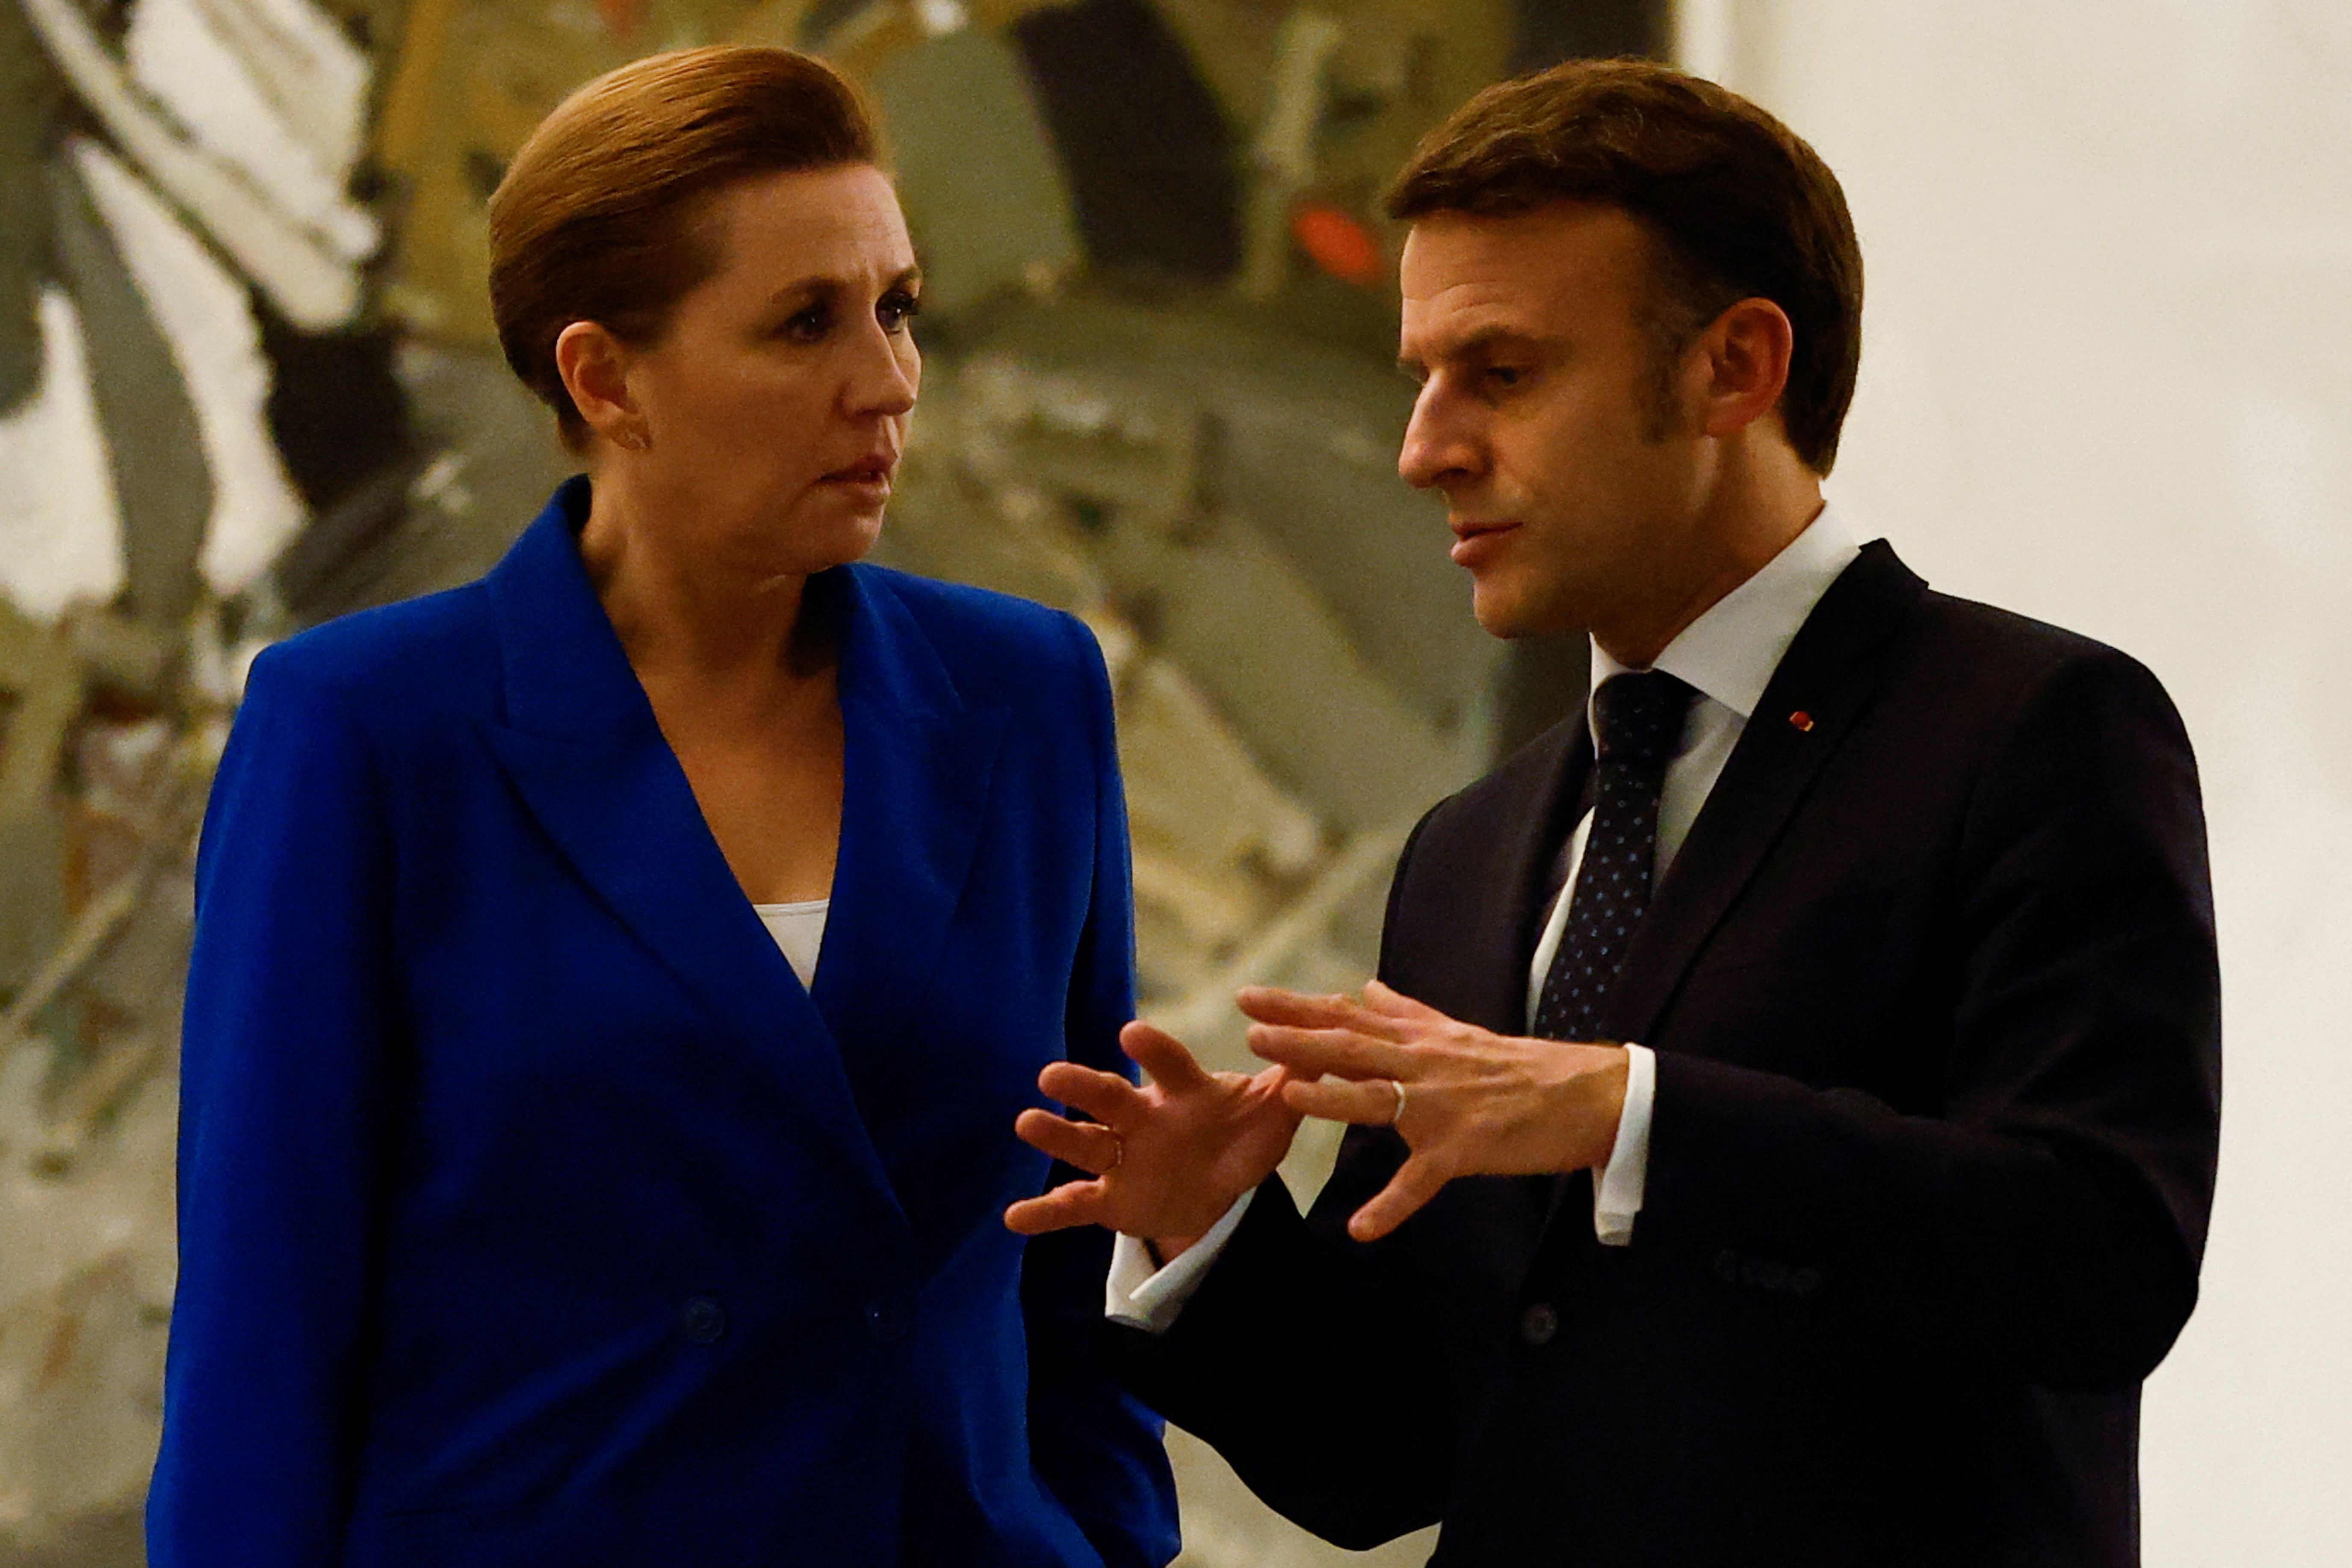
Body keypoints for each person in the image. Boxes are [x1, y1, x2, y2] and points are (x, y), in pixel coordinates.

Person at [1008, 60, 2219, 1568]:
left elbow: (2102, 1258)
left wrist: (1627, 1113)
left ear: (1735, 367)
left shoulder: (2034, 728)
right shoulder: (1470, 847)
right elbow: (1386, 1452)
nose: (1423, 448)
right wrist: (1205, 1241)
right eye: (1421, 379)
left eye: (1501, 374)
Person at [148, 47, 1177, 1568]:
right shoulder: (365, 730)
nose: (887, 379)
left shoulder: (1024, 696)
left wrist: (1107, 1540)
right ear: (603, 377)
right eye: (804, 323)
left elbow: (1084, 1235)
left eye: (895, 306)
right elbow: (263, 1323)